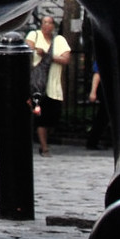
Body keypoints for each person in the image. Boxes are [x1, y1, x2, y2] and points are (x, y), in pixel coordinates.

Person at [26, 14, 72, 157]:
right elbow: (28, 46)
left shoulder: (59, 40)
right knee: (41, 118)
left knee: (53, 117)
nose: (47, 25)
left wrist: (48, 56)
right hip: (38, 85)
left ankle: (43, 138)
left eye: (50, 23)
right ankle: (44, 147)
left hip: (54, 86)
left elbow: (66, 59)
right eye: (45, 22)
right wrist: (38, 50)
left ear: (53, 26)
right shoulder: (34, 35)